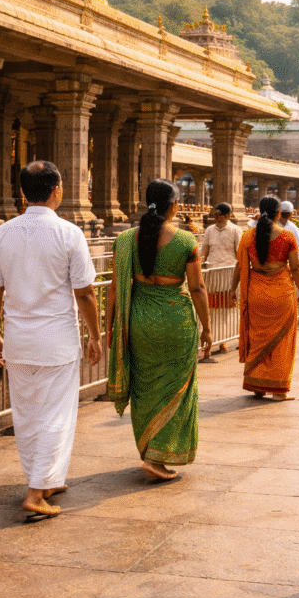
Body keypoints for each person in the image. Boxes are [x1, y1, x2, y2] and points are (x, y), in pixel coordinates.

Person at [0, 161, 102, 517]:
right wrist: (95, 334)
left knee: (27, 414)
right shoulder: (69, 234)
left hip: (19, 339)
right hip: (56, 341)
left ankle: (46, 477)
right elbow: (85, 294)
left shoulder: (3, 233)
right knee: (56, 415)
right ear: (57, 191)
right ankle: (37, 492)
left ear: (23, 192)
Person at [108, 179, 213, 481]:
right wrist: (207, 328)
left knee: (145, 387)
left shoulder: (126, 240)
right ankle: (158, 455)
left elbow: (115, 288)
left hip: (139, 321)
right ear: (174, 206)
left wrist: (109, 330)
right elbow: (197, 288)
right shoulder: (184, 241)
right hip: (175, 323)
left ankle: (148, 449)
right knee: (178, 388)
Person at [232, 195, 299, 401]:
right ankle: (279, 390)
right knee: (282, 342)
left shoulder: (248, 236)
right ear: (278, 213)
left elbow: (240, 266)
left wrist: (232, 289)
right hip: (282, 294)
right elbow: (296, 268)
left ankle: (258, 385)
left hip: (256, 294)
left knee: (257, 339)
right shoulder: (288, 237)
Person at [201, 202, 244, 354]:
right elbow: (204, 250)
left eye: (219, 214)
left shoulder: (235, 230)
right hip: (213, 274)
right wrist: (201, 265)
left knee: (227, 310)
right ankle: (216, 340)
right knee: (213, 308)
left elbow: (240, 254)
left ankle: (225, 340)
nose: (216, 217)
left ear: (227, 215)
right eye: (215, 214)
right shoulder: (210, 230)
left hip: (229, 274)